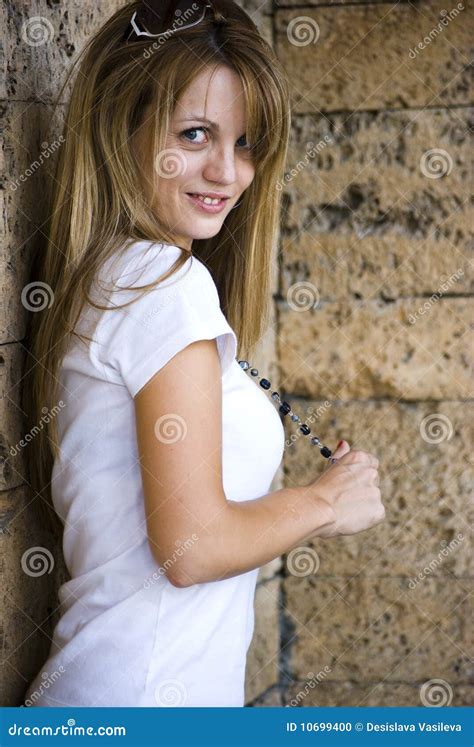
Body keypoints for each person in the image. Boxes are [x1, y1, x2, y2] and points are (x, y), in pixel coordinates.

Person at [23, 0, 385, 707]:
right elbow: (191, 547)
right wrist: (321, 502)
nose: (228, 171)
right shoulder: (164, 285)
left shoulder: (114, 275)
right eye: (195, 134)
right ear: (119, 126)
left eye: (247, 142)